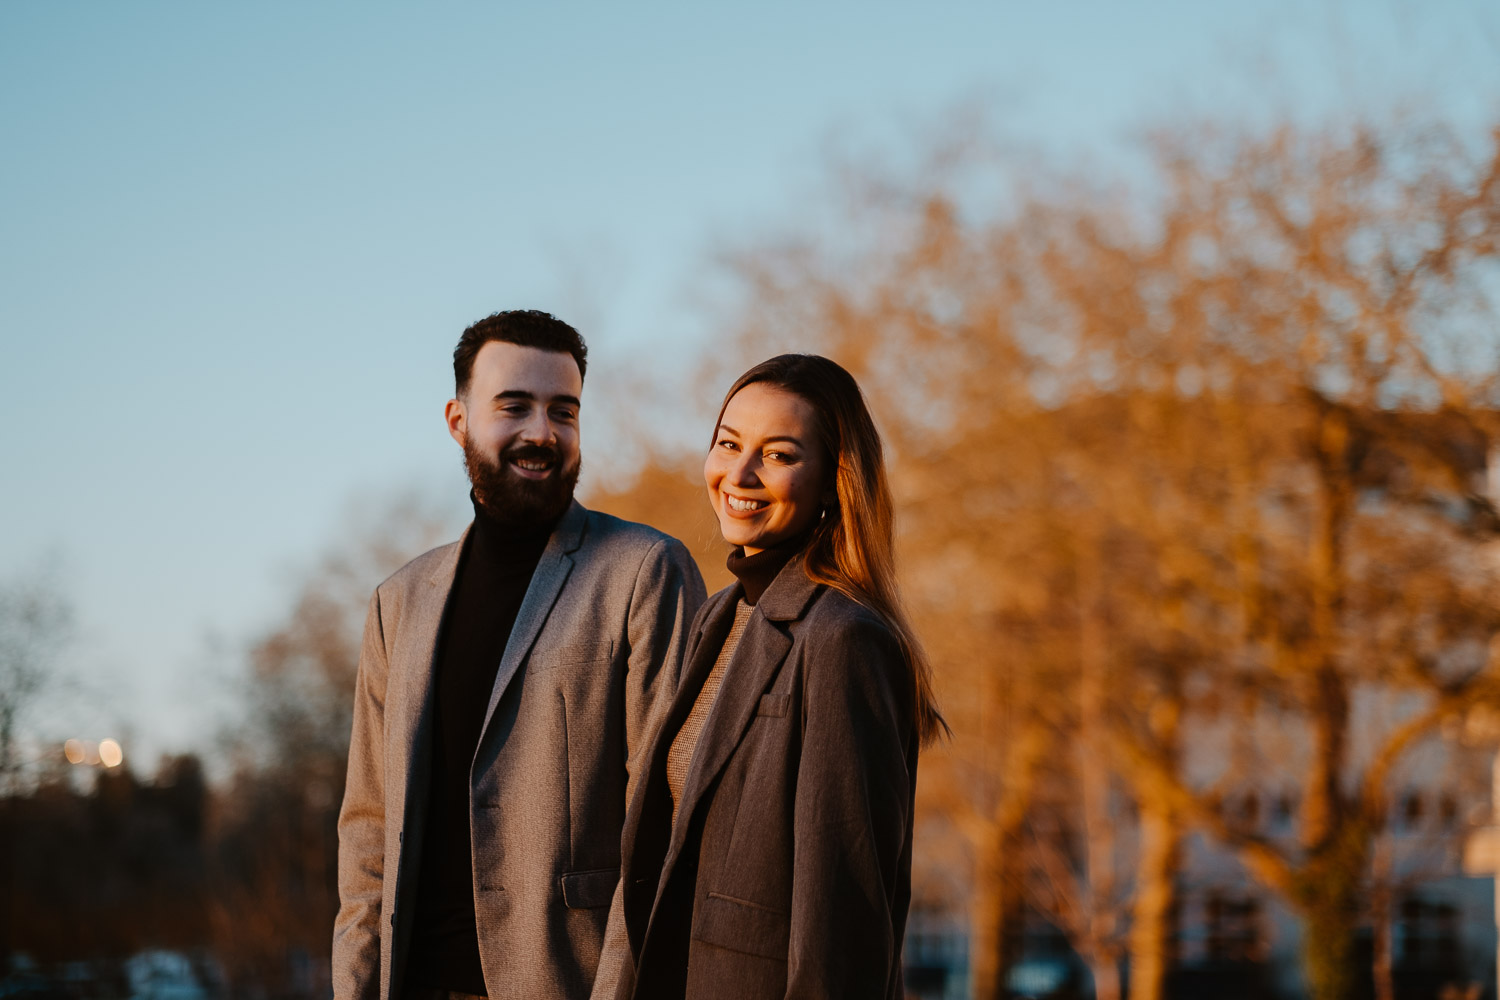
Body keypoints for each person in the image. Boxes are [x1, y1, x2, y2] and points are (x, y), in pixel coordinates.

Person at [332, 310, 707, 1000]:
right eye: (514, 407)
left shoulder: (645, 571)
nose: (542, 432)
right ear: (458, 420)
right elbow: (368, 831)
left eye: (564, 411)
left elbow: (667, 825)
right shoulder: (398, 601)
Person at [615, 353, 947, 999]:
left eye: (778, 455)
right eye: (728, 444)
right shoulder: (719, 616)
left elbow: (844, 919)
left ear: (830, 482)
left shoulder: (844, 639)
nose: (739, 474)